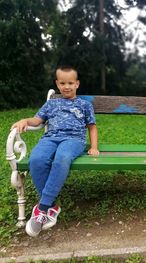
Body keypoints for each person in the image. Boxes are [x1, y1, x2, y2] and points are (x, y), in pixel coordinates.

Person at [11, 65, 99, 237]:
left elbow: (92, 127)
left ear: (77, 84)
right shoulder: (51, 103)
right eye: (63, 83)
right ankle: (52, 207)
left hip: (74, 140)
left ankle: (42, 208)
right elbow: (37, 121)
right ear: (57, 84)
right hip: (50, 138)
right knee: (36, 159)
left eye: (70, 83)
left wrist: (94, 146)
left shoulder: (84, 105)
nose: (67, 86)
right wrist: (24, 120)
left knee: (62, 158)